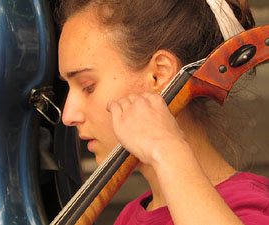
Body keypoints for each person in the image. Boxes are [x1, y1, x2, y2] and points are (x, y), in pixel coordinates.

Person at [57, 0, 269, 224]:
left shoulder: (247, 207)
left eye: (88, 86)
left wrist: (166, 149)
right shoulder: (129, 216)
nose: (68, 115)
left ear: (159, 75)